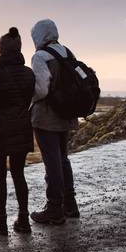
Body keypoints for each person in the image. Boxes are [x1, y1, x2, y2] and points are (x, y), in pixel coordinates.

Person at [0, 27, 35, 235]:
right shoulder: (28, 74)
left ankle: (1, 221)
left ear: (1, 51)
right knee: (19, 174)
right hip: (21, 128)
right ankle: (23, 219)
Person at [29, 19, 80, 225]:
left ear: (39, 36)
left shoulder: (40, 56)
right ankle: (70, 204)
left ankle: (54, 208)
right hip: (67, 114)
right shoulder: (67, 52)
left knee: (52, 162)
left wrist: (29, 99)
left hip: (47, 117)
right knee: (63, 159)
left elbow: (41, 89)